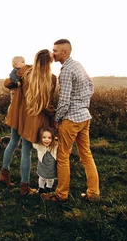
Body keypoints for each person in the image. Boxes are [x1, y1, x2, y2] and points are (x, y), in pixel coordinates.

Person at [42, 39, 100, 203]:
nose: (52, 53)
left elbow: (64, 100)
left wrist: (57, 119)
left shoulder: (66, 71)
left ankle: (61, 194)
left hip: (71, 119)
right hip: (84, 116)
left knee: (62, 157)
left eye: (55, 51)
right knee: (86, 155)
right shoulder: (78, 65)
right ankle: (94, 193)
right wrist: (82, 103)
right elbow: (91, 86)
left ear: (64, 52)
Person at [0, 49, 57, 196]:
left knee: (12, 142)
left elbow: (8, 83)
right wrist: (53, 116)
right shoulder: (51, 78)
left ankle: (4, 174)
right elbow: (47, 104)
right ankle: (24, 186)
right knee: (26, 152)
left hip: (18, 115)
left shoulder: (25, 72)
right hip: (32, 119)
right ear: (49, 63)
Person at [33, 126, 58, 194]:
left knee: (50, 178)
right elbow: (33, 142)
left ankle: (48, 188)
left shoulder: (55, 145)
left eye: (49, 138)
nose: (46, 140)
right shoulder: (39, 145)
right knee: (42, 177)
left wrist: (56, 138)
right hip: (43, 165)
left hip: (51, 166)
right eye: (44, 137)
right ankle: (41, 188)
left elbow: (60, 143)